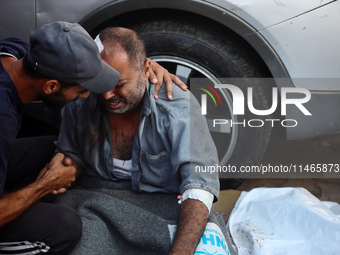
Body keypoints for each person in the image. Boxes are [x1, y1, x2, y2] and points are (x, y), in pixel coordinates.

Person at [0, 21, 186, 254]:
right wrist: (42, 187)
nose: (90, 95)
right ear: (50, 87)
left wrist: (141, 68)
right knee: (64, 227)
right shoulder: (4, 118)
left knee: (48, 148)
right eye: (80, 90)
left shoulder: (12, 54)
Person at [54, 27, 227, 255]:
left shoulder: (178, 107)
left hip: (162, 206)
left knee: (202, 237)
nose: (107, 95)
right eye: (102, 83)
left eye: (119, 84)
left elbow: (198, 188)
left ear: (146, 70)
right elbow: (71, 156)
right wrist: (63, 166)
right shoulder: (81, 101)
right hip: (96, 201)